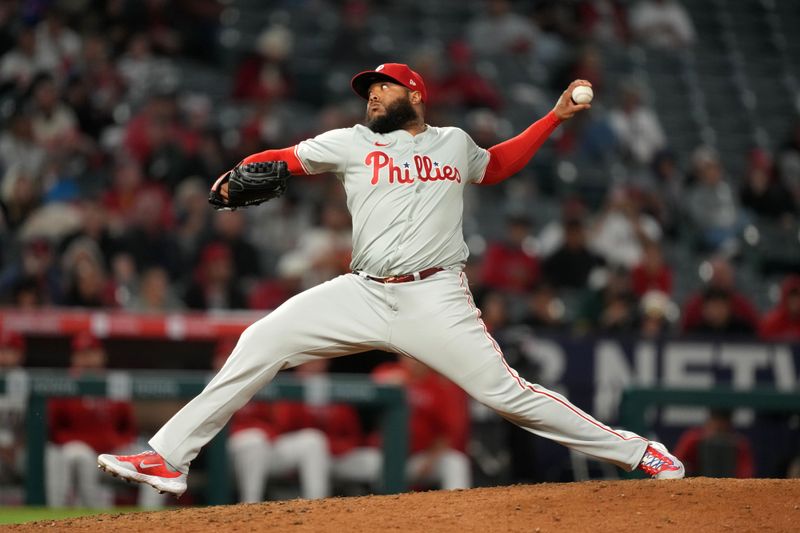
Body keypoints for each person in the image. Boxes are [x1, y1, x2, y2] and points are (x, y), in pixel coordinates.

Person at [97, 62, 684, 498]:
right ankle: (170, 457)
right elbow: (286, 159)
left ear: (415, 94)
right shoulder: (351, 143)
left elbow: (498, 164)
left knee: (509, 397)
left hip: (435, 296)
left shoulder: (453, 143)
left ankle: (640, 453)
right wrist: (241, 171)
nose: (373, 94)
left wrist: (553, 118)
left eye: (382, 86)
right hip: (364, 291)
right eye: (368, 89)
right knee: (261, 340)